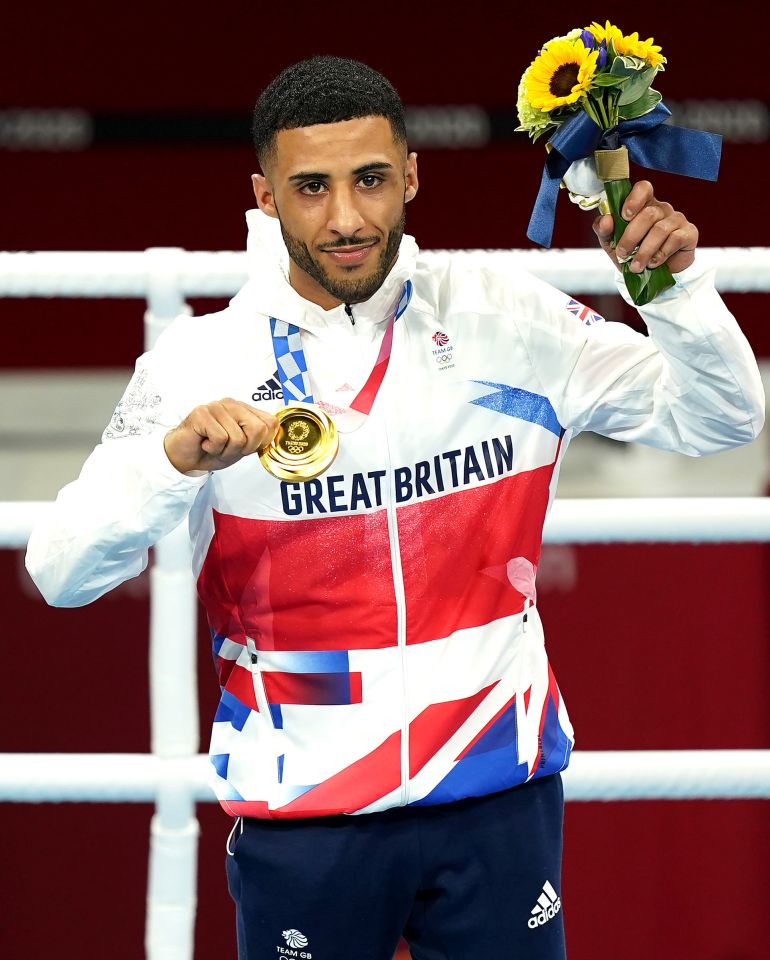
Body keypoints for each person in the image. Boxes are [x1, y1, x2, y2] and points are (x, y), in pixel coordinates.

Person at [25, 56, 764, 960]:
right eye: (311, 188)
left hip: (497, 790)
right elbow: (59, 572)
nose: (346, 218)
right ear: (265, 196)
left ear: (412, 175)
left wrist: (674, 291)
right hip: (305, 812)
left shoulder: (507, 319)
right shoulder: (195, 363)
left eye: (371, 180)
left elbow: (723, 418)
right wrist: (169, 466)